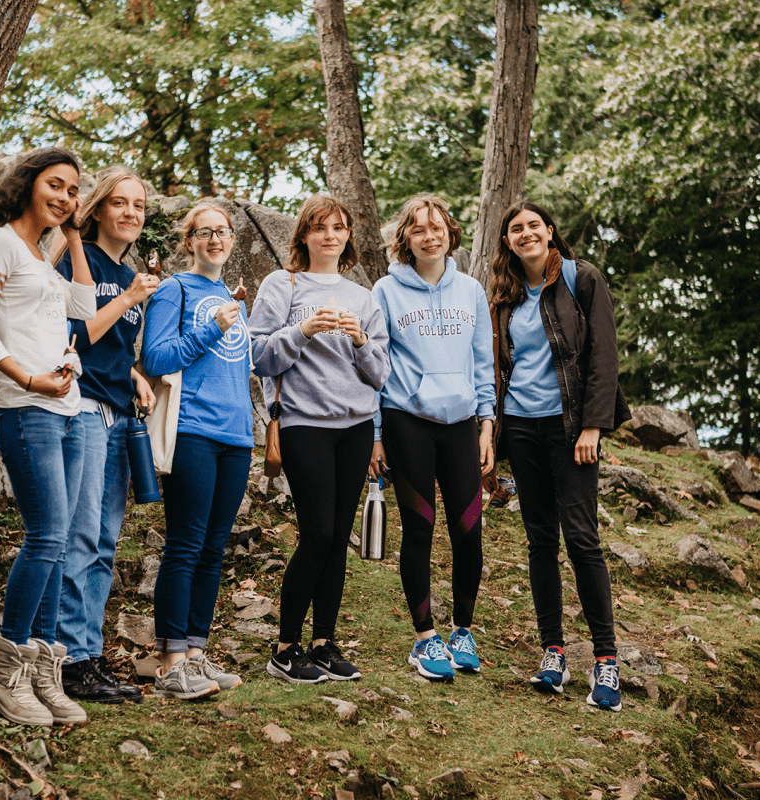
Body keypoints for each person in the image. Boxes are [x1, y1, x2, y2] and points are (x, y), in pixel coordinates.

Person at [0, 147, 96, 726]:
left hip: (63, 407)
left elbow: (85, 307)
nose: (65, 197)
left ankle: (45, 673)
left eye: (73, 192)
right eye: (56, 185)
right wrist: (28, 376)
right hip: (24, 407)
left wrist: (73, 240)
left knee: (60, 541)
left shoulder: (43, 256)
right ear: (27, 184)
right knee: (45, 536)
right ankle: (4, 675)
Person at [489, 200, 631, 712]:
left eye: (533, 226)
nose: (525, 234)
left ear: (549, 232)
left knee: (582, 538)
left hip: (571, 428)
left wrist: (593, 424)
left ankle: (606, 660)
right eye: (515, 229)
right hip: (522, 429)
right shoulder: (503, 295)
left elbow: (603, 355)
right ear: (507, 240)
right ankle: (553, 652)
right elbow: (498, 368)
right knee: (539, 540)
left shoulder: (581, 278)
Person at [251, 195, 391, 684]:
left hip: (354, 428)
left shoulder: (363, 297)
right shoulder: (281, 284)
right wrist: (303, 330)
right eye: (320, 227)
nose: (330, 235)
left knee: (337, 542)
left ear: (348, 236)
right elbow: (259, 356)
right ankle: (285, 647)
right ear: (304, 235)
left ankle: (324, 643)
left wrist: (359, 341)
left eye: (339, 228)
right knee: (318, 534)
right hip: (303, 423)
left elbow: (380, 373)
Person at [369, 194, 495, 682]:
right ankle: (425, 639)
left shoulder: (471, 292)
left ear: (449, 233)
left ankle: (462, 629)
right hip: (407, 421)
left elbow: (483, 363)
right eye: (418, 229)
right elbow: (376, 368)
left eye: (436, 227)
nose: (429, 235)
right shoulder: (385, 291)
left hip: (462, 422)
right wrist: (376, 434)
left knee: (469, 532)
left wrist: (487, 423)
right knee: (419, 529)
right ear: (406, 238)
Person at [49, 167, 160, 705]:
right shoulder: (83, 258)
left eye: (138, 205)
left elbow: (112, 344)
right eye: (120, 203)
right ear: (96, 210)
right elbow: (73, 334)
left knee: (106, 541)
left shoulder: (127, 268)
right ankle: (68, 659)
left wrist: (135, 375)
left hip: (119, 413)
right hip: (83, 409)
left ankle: (89, 655)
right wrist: (131, 296)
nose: (131, 213)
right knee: (81, 536)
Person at [141, 200, 252, 700]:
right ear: (189, 242)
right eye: (204, 232)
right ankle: (171, 661)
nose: (215, 240)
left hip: (236, 437)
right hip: (193, 431)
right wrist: (212, 327)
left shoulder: (233, 297)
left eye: (223, 232)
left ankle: (198, 654)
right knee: (185, 544)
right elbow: (157, 356)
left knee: (213, 548)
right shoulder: (175, 289)